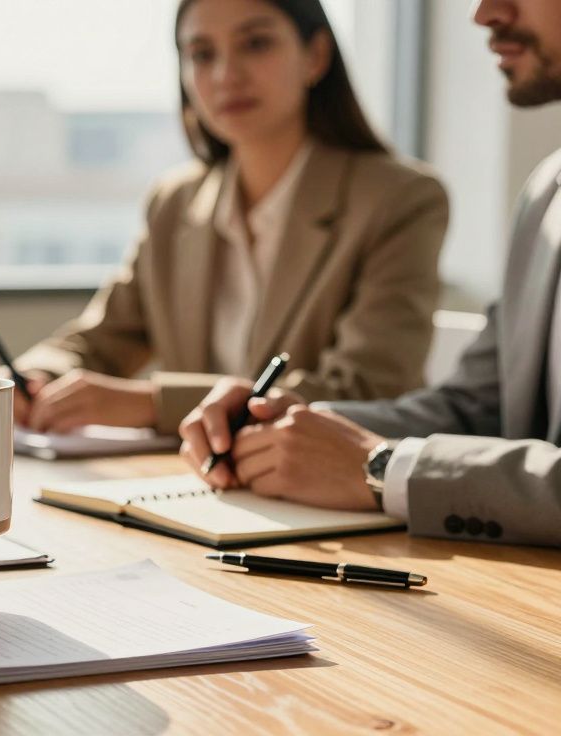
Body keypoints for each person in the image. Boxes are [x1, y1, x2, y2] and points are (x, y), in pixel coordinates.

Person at [177, 0, 561, 548]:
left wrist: (382, 466)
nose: (484, 13)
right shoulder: (548, 191)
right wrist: (300, 427)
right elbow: (473, 408)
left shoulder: (400, 196)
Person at [13, 0, 449, 437]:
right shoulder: (176, 202)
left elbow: (366, 389)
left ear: (315, 56)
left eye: (256, 44)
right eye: (202, 54)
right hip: (189, 484)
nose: (226, 75)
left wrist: (154, 404)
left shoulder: (399, 198)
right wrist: (36, 376)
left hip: (332, 491)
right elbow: (100, 340)